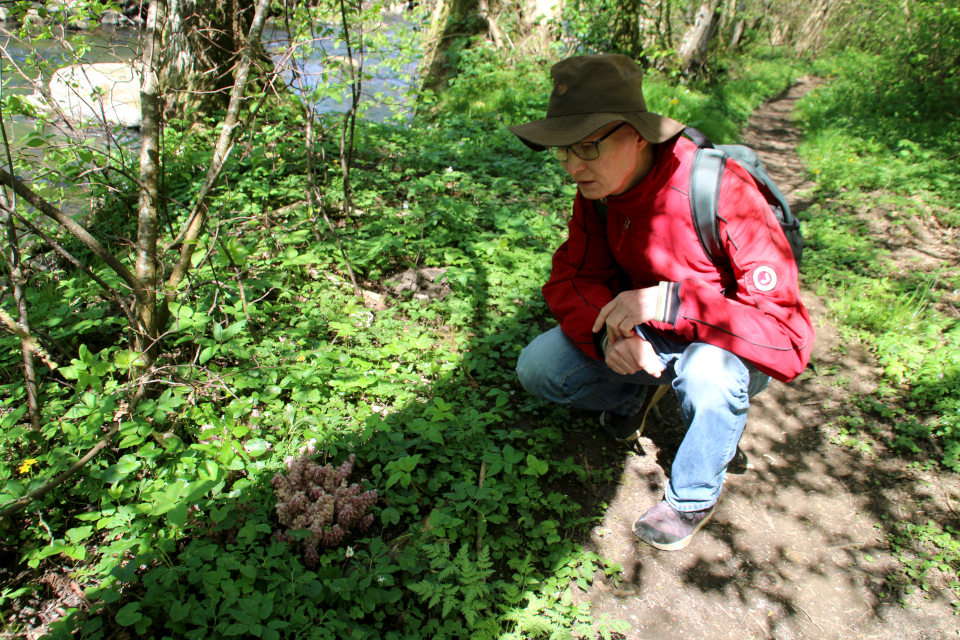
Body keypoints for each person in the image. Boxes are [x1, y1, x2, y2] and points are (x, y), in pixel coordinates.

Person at [509, 54, 814, 551]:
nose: (572, 167)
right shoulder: (597, 192)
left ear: (637, 134)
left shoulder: (720, 188)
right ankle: (639, 395)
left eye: (587, 145)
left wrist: (669, 303)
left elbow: (786, 338)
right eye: (563, 150)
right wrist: (609, 334)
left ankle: (692, 496)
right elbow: (575, 278)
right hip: (652, 329)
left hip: (726, 343)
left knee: (709, 374)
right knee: (540, 367)